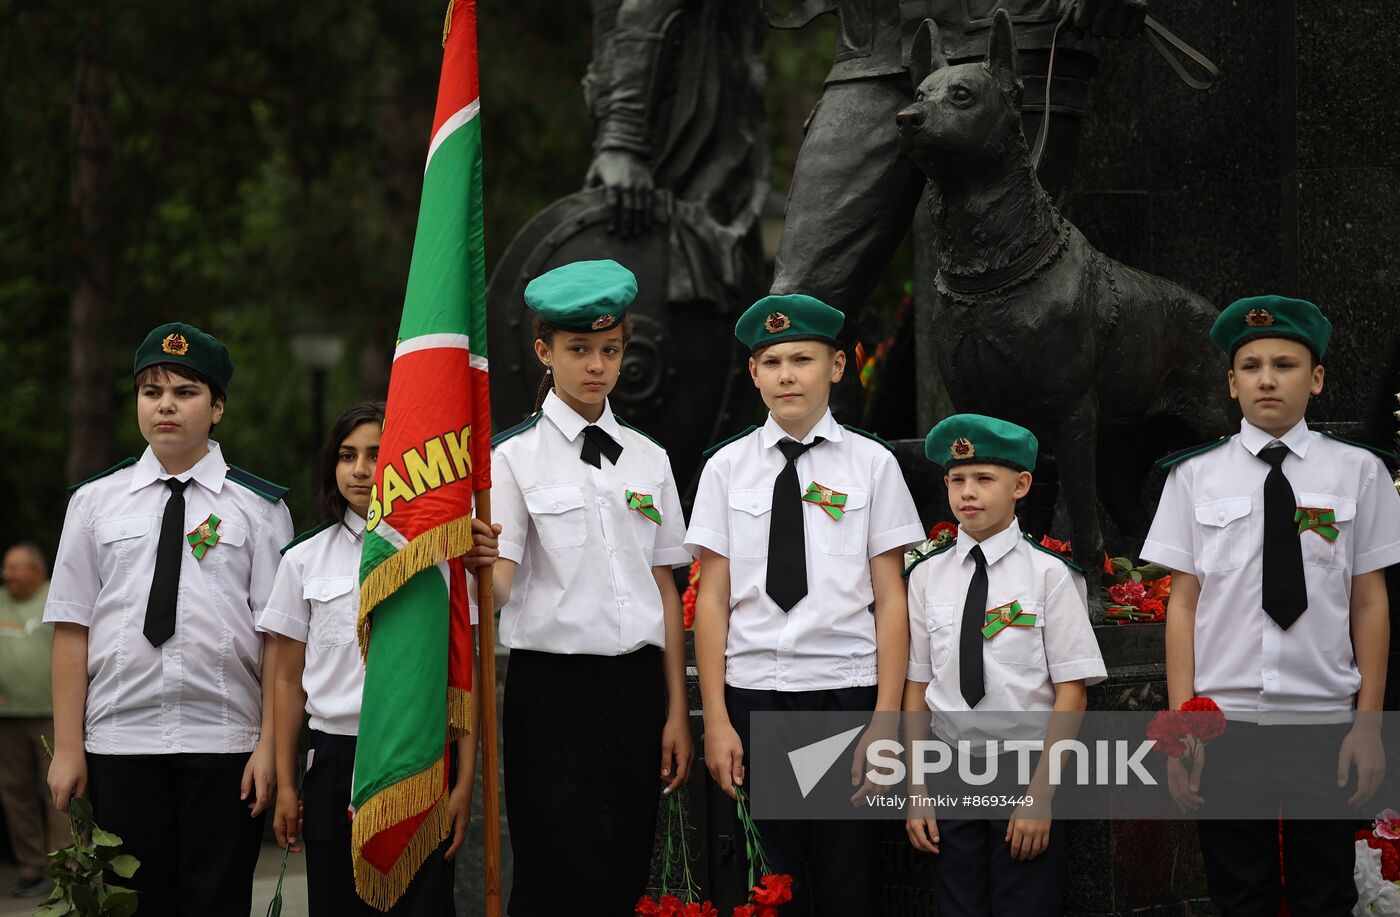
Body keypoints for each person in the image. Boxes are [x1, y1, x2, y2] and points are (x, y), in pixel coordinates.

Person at [1141, 295, 1400, 914]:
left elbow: (1369, 600)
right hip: (1225, 723)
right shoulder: (1194, 477)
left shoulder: (1359, 473)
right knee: (1239, 893)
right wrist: (1182, 731)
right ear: (1231, 383)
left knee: (1325, 892)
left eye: (1285, 363)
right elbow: (1183, 605)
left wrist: (1368, 724)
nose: (1266, 377)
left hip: (1325, 721)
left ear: (1316, 379)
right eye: (1251, 365)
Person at [686, 293, 924, 916]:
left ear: (838, 366)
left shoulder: (873, 465)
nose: (787, 374)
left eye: (803, 358)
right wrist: (716, 719)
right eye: (771, 361)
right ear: (754, 374)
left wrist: (886, 717)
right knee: (770, 889)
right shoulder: (725, 469)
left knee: (851, 886)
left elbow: (891, 599)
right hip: (756, 697)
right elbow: (711, 599)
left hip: (845, 694)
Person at [44, 322, 294, 917]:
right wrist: (69, 749)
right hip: (119, 743)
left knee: (217, 902)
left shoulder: (259, 509)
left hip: (226, 745)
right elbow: (71, 629)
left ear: (217, 408)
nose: (165, 405)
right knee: (134, 905)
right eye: (151, 391)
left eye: (185, 392)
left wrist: (269, 749)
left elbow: (281, 644)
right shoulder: (94, 503)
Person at [487, 259, 694, 917]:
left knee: (625, 864)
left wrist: (672, 708)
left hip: (635, 687)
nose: (596, 365)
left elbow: (664, 585)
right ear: (545, 351)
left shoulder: (648, 456)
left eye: (609, 349)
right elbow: (499, 587)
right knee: (554, 872)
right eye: (578, 349)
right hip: (552, 690)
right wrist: (473, 560)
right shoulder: (512, 457)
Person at [260, 401, 497, 916]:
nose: (362, 470)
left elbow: (466, 674)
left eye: (377, 454)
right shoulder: (304, 558)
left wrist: (463, 783)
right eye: (348, 456)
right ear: (332, 466)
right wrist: (284, 783)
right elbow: (285, 681)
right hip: (334, 756)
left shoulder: (440, 558)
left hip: (418, 757)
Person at [903, 414, 1105, 916]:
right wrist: (917, 789)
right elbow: (917, 687)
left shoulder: (1049, 575)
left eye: (983, 479)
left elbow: (1072, 692)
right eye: (957, 480)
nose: (967, 492)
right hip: (949, 768)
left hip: (1025, 769)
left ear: (1021, 485)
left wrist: (1041, 796)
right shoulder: (926, 577)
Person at [0, 543, 67, 898]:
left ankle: (67, 866)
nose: (7, 574)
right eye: (6, 568)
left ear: (38, 572)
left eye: (15, 568)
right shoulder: (0, 600)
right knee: (16, 793)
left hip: (53, 714)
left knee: (60, 793)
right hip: (8, 717)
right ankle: (30, 867)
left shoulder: (55, 594)